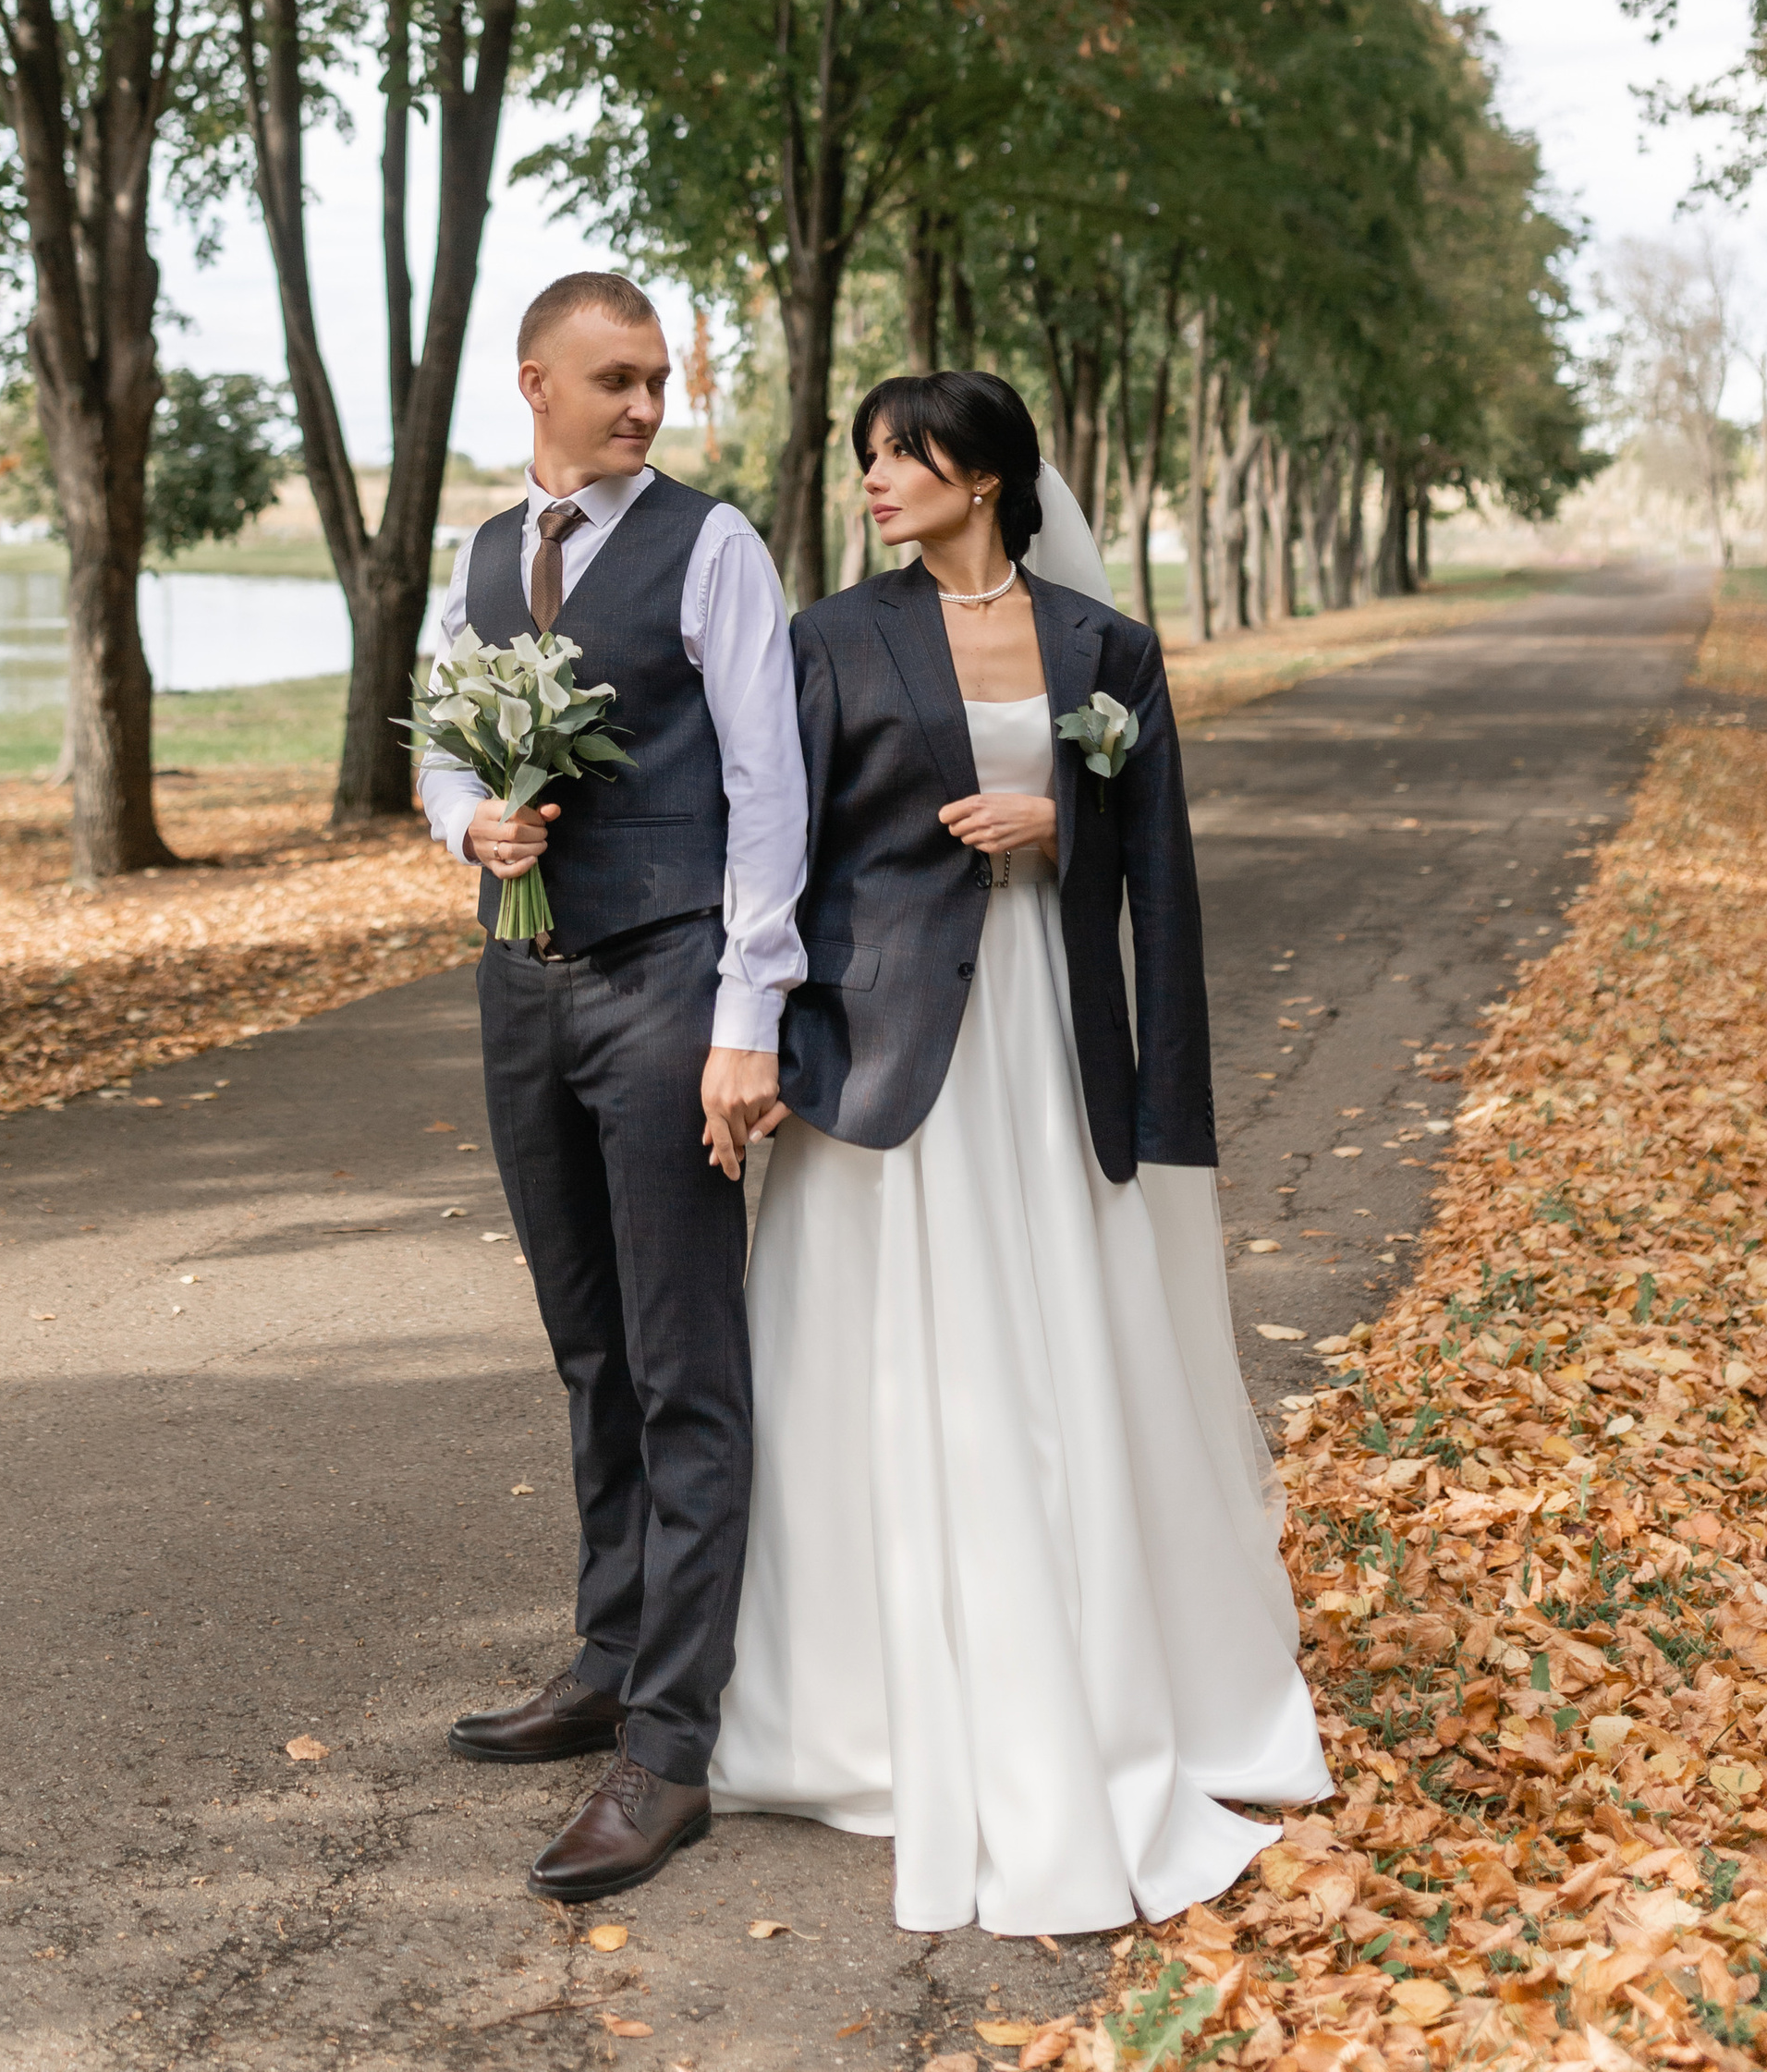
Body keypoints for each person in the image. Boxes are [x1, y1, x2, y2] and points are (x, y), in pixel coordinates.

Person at [708, 370, 1329, 1934]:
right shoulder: (833, 638)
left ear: (980, 475)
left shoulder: (1105, 648)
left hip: (1046, 1027)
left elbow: (1159, 848)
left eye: (897, 456)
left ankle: (1095, 1663)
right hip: (882, 1038)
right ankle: (846, 1705)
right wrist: (760, 1027)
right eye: (863, 460)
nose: (872, 481)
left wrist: (1064, 825)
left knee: (1054, 1338)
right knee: (860, 1356)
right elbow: (774, 844)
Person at [420, 273, 807, 1903]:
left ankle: (669, 1749)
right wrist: (469, 828)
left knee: (681, 1363)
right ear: (535, 387)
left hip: (667, 988)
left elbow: (767, 786)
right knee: (587, 1342)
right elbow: (439, 743)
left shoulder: (711, 548)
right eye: (614, 380)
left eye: (654, 383)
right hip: (525, 987)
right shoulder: (480, 558)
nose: (644, 406)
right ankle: (607, 1649)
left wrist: (749, 1013)